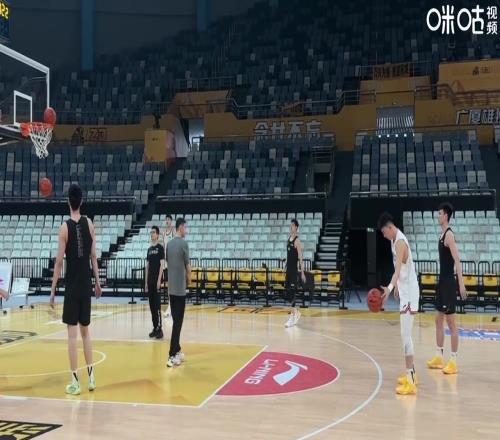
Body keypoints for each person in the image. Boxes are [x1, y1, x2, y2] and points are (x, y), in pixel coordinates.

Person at [50, 183, 102, 395]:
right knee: (86, 333)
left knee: (72, 336)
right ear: (81, 201)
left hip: (72, 287)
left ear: (68, 202)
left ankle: (75, 382)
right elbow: (93, 257)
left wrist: (52, 290)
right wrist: (97, 282)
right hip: (86, 286)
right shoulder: (90, 224)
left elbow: (58, 263)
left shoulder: (64, 228)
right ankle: (91, 378)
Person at [378, 212, 419, 395]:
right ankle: (412, 375)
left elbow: (396, 271)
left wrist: (389, 288)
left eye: (383, 232)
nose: (383, 235)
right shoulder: (393, 240)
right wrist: (397, 288)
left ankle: (410, 382)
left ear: (390, 227)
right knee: (405, 336)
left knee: (405, 336)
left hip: (410, 293)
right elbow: (400, 268)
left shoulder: (400, 242)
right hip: (405, 290)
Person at [427, 202, 467, 375]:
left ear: (446, 216)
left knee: (451, 323)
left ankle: (453, 361)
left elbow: (457, 260)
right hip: (442, 283)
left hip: (449, 283)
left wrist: (461, 283)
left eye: (440, 214)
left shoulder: (449, 235)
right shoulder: (441, 234)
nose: (438, 216)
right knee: (438, 320)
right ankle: (438, 357)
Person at [166, 217, 191, 367]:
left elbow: (169, 263)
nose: (186, 230)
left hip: (171, 289)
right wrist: (189, 280)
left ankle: (177, 349)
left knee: (176, 321)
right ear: (180, 227)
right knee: (178, 323)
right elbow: (187, 265)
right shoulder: (184, 244)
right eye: (185, 228)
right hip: (180, 290)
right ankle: (171, 355)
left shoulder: (169, 244)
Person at [284, 219, 306, 328]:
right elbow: (288, 256)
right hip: (288, 271)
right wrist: (285, 265)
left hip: (293, 271)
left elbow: (301, 258)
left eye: (293, 225)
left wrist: (302, 273)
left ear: (296, 227)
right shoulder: (288, 239)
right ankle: (296, 312)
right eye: (291, 225)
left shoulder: (297, 241)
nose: (291, 227)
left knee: (292, 293)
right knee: (288, 293)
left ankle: (292, 318)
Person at [145, 226, 165, 339]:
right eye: (151, 232)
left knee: (157, 306)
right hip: (150, 281)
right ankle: (155, 328)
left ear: (157, 234)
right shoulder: (149, 250)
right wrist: (146, 282)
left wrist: (159, 280)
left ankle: (159, 329)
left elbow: (162, 265)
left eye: (153, 232)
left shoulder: (160, 248)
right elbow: (147, 267)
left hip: (156, 281)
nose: (151, 234)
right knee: (152, 306)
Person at [163, 214, 175, 319]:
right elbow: (164, 248)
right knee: (168, 286)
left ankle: (172, 307)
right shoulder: (163, 233)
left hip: (172, 263)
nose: (167, 221)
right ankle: (170, 306)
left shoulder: (173, 232)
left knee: (172, 285)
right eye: (166, 220)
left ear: (171, 221)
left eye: (168, 220)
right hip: (166, 263)